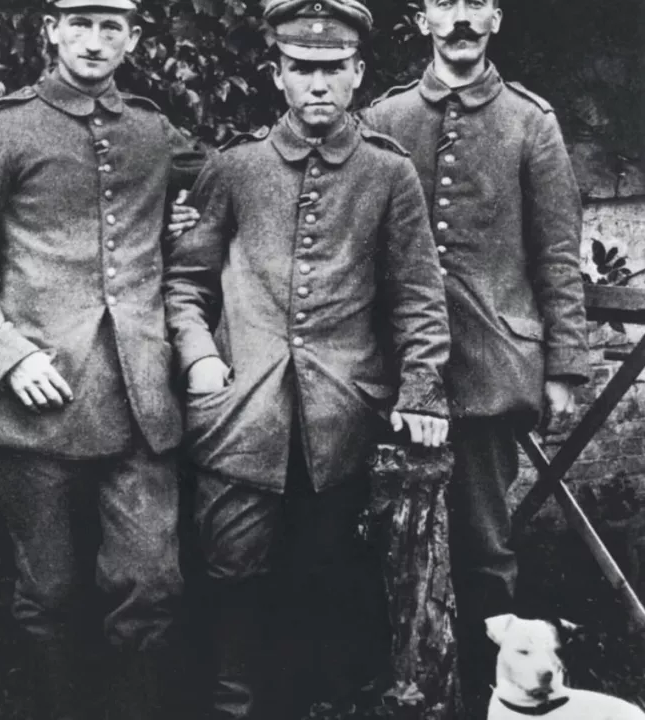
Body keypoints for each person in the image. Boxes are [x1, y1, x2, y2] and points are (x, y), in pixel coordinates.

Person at [163, 1, 451, 718]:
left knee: (328, 581)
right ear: (277, 76)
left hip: (340, 419)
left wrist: (420, 388)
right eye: (302, 69)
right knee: (232, 572)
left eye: (332, 69)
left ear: (357, 74)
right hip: (241, 419)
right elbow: (185, 284)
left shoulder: (390, 175)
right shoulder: (235, 169)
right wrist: (201, 361)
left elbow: (417, 293)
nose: (317, 84)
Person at [0, 1, 204, 718]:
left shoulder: (150, 130)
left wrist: (191, 215)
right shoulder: (0, 131)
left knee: (151, 586)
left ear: (133, 39)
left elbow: (225, 179)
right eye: (79, 21)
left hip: (140, 396)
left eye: (112, 25)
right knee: (47, 593)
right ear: (49, 29)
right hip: (35, 399)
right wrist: (8, 356)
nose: (93, 39)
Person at [359, 1, 589, 716]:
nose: (460, 19)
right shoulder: (384, 119)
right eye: (444, 4)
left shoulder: (530, 122)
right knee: (385, 532)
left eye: (475, 3)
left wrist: (564, 367)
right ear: (423, 18)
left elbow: (556, 254)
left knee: (484, 540)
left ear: (497, 18)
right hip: (391, 369)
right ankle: (399, 684)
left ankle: (496, 700)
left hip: (491, 366)